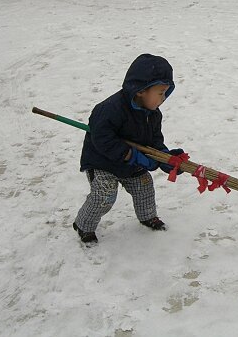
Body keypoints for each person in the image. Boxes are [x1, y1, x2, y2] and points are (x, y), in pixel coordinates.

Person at [73, 54, 184, 244]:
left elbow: (154, 141)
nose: (164, 98)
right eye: (160, 92)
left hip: (131, 164)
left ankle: (148, 216)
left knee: (144, 186)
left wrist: (166, 158)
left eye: (166, 92)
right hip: (102, 163)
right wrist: (130, 155)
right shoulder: (109, 109)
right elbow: (102, 139)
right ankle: (84, 224)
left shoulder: (153, 114)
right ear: (141, 90)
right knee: (104, 195)